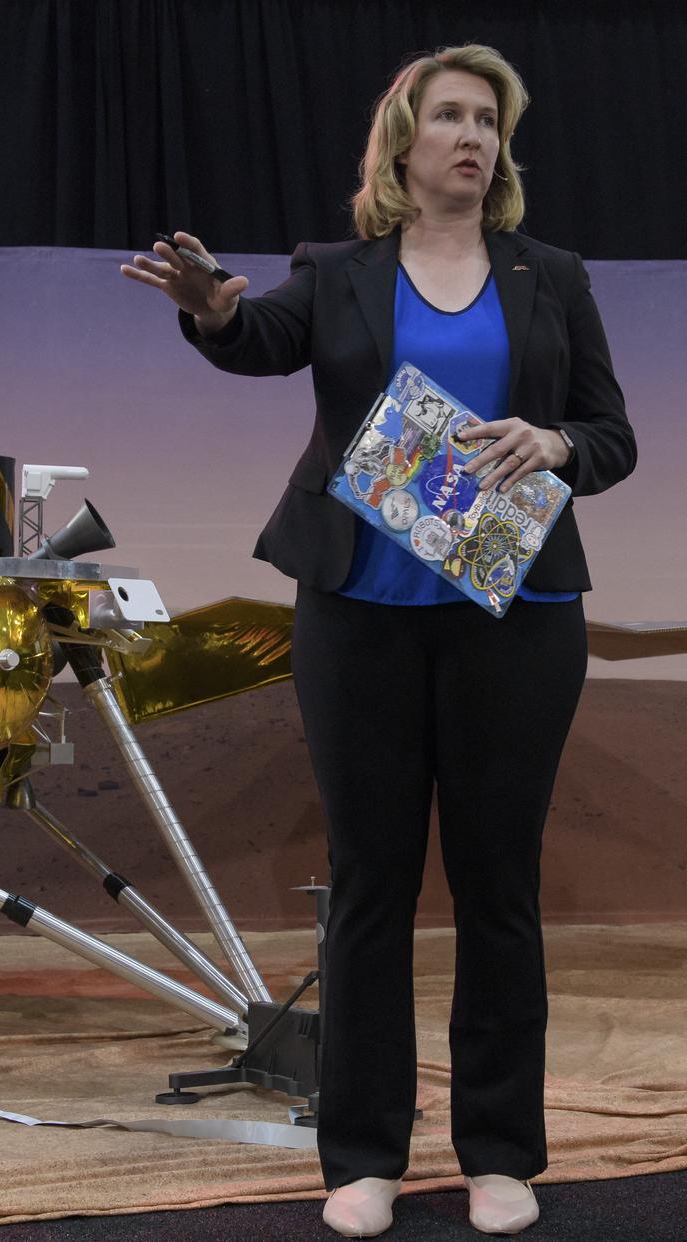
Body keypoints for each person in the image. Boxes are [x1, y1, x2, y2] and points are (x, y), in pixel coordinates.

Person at [120, 43, 635, 1238]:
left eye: (487, 121)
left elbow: (609, 436)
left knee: (498, 884)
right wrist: (208, 309)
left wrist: (555, 446)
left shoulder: (549, 276)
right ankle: (362, 1156)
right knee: (371, 886)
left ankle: (498, 1150)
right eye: (448, 115)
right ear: (401, 142)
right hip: (357, 619)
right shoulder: (338, 271)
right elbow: (256, 339)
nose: (471, 135)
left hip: (517, 623)